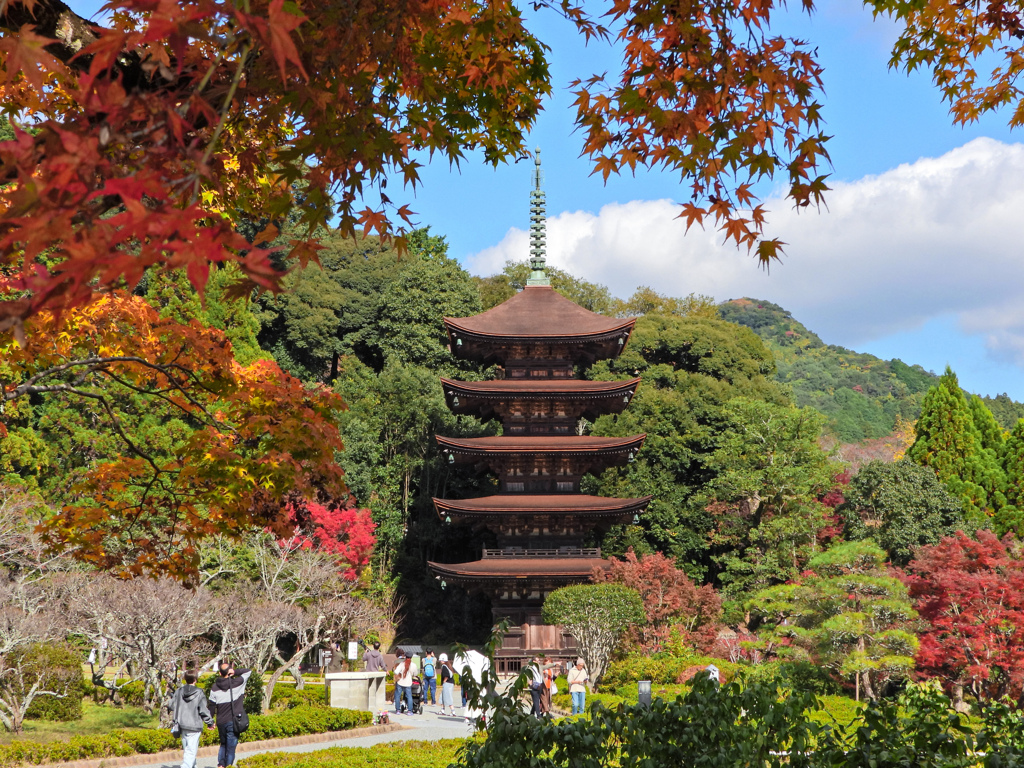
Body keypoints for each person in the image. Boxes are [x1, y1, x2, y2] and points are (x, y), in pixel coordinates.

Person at [208, 659, 251, 768]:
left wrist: (210, 722)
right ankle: (228, 766)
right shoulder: (238, 683)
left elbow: (212, 706)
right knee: (231, 749)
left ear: (219, 673)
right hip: (234, 720)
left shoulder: (214, 688)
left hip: (221, 721)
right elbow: (248, 671)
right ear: (229, 672)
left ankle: (220, 765)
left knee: (223, 744)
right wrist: (235, 672)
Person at [167, 669, 214, 768]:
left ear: (185, 679)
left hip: (181, 723)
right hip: (194, 724)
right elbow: (203, 709)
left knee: (188, 750)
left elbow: (171, 705)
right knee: (191, 751)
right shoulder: (199, 692)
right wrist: (210, 722)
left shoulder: (179, 691)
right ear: (195, 679)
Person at [393, 649, 417, 716]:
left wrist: (399, 672)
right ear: (411, 657)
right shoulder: (413, 665)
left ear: (405, 656)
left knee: (397, 696)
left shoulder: (401, 664)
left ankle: (398, 710)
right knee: (409, 697)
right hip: (408, 683)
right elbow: (415, 674)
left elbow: (396, 672)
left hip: (400, 682)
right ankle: (409, 711)